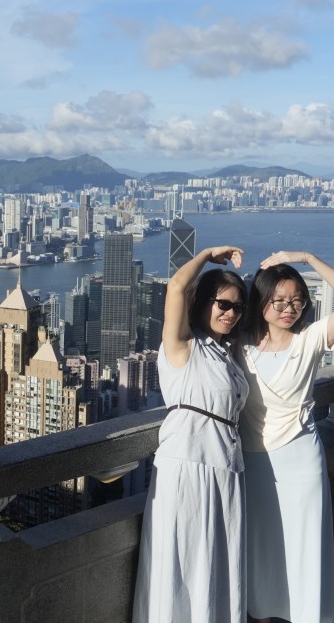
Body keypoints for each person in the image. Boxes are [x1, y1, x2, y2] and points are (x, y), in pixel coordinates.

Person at [239, 251, 334, 623]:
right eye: (278, 300)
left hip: (301, 460)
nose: (288, 308)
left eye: (297, 300)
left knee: (305, 543)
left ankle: (307, 615)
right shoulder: (239, 344)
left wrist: (307, 258)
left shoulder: (310, 339)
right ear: (261, 300)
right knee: (261, 543)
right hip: (253, 459)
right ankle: (261, 614)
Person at [132, 246, 250, 623]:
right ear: (204, 303)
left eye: (237, 307)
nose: (230, 313)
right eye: (223, 304)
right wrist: (207, 254)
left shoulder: (226, 355)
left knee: (216, 565)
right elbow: (176, 288)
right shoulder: (183, 347)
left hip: (225, 469)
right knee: (180, 562)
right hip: (187, 467)